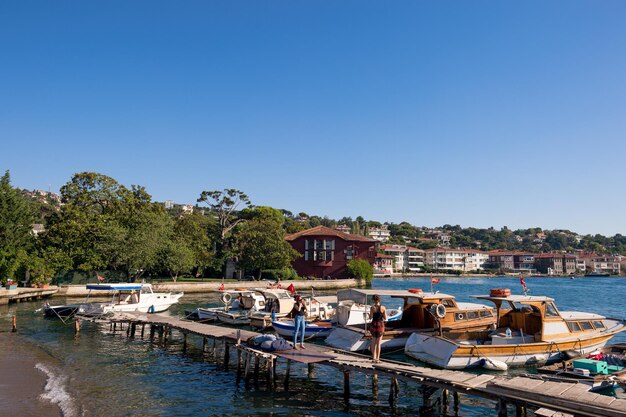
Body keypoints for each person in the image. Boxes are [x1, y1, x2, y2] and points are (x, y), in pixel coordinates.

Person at [369, 294, 387, 363]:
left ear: (373, 300)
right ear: (379, 300)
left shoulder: (372, 308)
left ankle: (373, 358)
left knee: (373, 343)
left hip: (373, 325)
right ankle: (377, 359)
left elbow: (370, 317)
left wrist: (369, 315)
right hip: (380, 326)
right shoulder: (383, 307)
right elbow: (385, 318)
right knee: (379, 343)